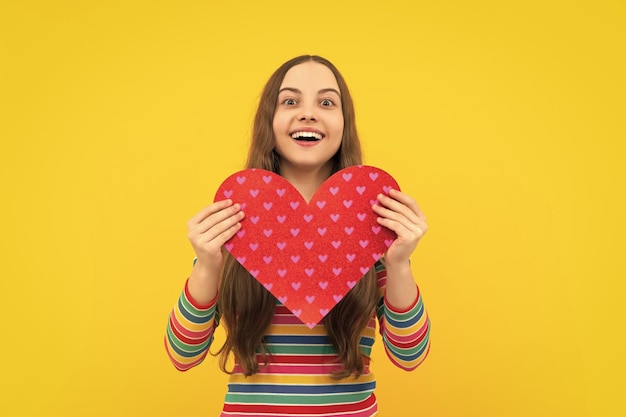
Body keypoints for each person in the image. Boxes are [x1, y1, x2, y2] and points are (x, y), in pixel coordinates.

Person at [164, 55, 431, 417]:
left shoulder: (375, 227)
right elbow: (182, 355)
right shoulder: (234, 226)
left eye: (326, 102)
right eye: (290, 101)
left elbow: (410, 355)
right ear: (268, 123)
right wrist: (207, 265)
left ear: (344, 124)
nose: (308, 113)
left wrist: (398, 263)